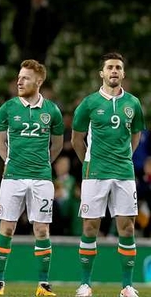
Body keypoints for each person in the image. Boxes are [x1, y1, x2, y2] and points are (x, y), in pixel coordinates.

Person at [72, 53, 145, 297]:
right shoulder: (89, 103)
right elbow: (76, 139)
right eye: (110, 67)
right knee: (90, 227)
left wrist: (124, 157)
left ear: (123, 73)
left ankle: (127, 286)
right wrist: (88, 163)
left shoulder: (133, 103)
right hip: (95, 173)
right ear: (101, 73)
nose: (114, 71)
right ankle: (85, 284)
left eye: (118, 67)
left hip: (124, 173)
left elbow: (136, 135)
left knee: (127, 228)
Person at [0, 60, 63, 297]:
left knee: (42, 230)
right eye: (19, 77)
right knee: (7, 228)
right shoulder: (7, 108)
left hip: (42, 178)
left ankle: (43, 284)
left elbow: (58, 144)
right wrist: (10, 162)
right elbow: (0, 142)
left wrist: (43, 164)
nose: (19, 81)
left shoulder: (52, 111)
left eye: (25, 78)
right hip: (13, 177)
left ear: (38, 81)